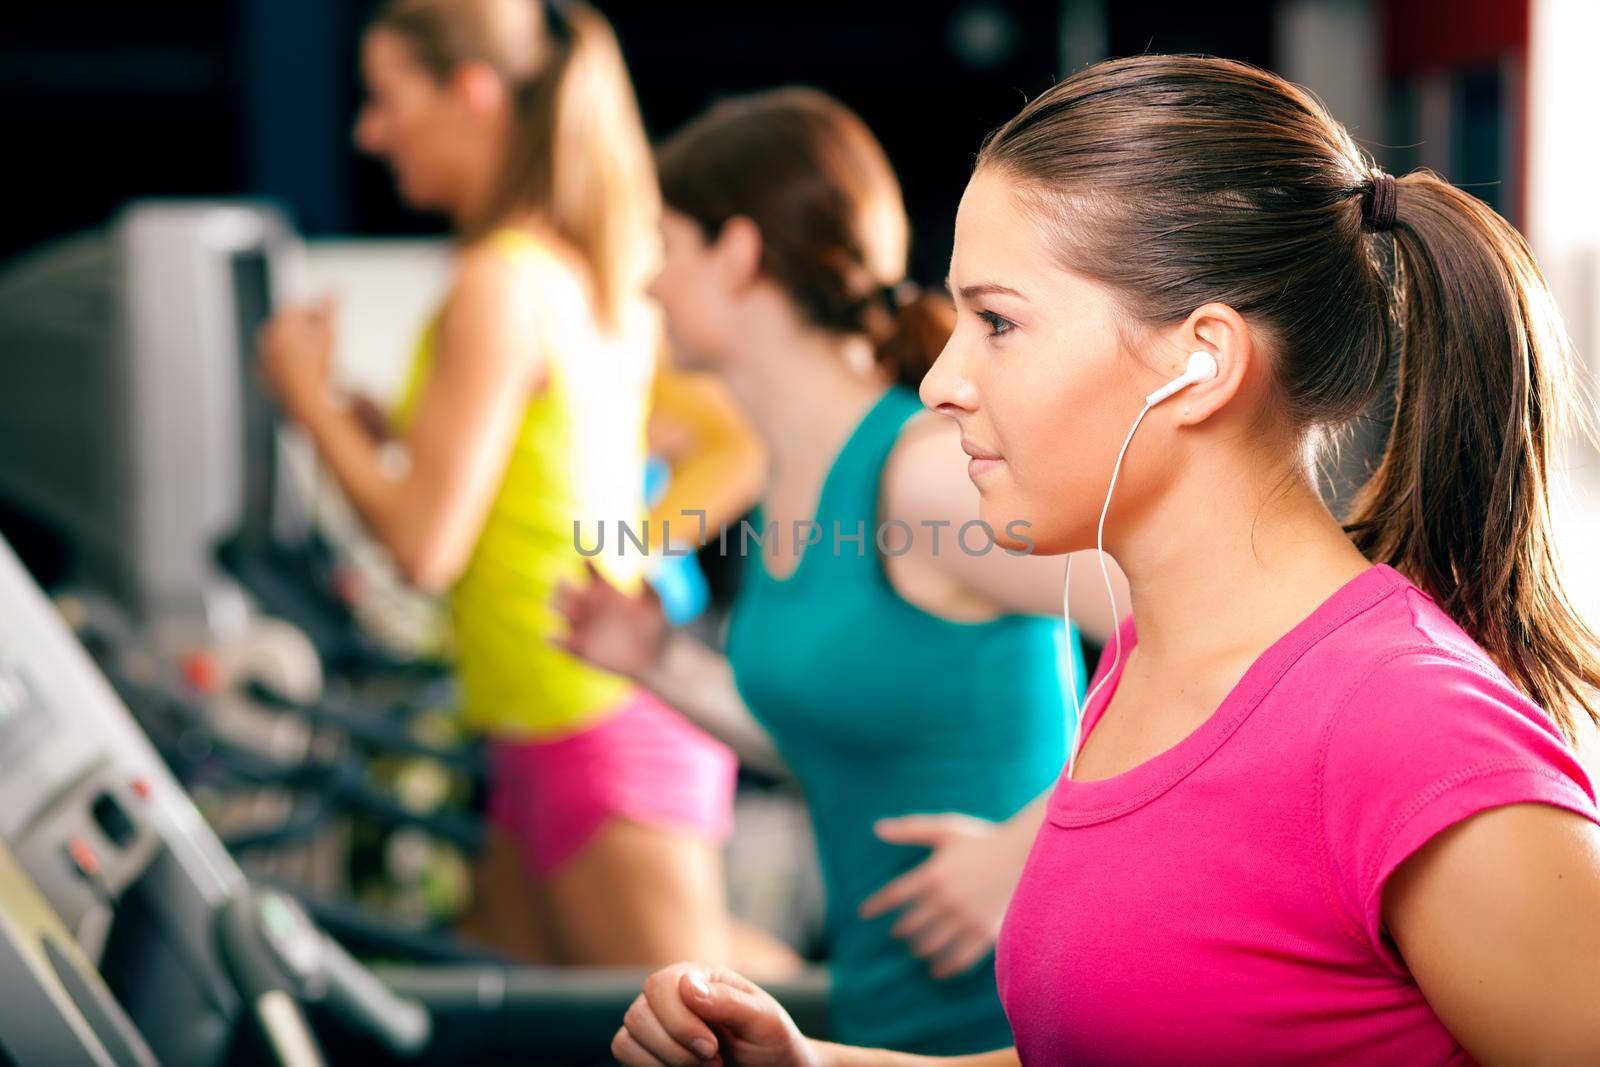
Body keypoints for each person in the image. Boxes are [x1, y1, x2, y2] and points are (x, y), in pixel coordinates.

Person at [607, 54, 1600, 1067]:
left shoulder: (1408, 725)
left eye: (996, 321)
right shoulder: (1141, 666)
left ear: (1199, 361)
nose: (943, 379)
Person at [554, 88, 1126, 1055]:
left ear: (736, 253)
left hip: (1016, 1016)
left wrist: (1033, 844)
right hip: (884, 1018)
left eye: (666, 247)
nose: (647, 285)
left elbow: (1197, 619)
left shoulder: (925, 476)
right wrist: (656, 661)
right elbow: (825, 740)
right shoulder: (791, 485)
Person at [257, 0, 792, 972]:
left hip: (589, 724)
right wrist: (376, 428)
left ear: (471, 93)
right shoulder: (562, 270)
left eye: (384, 99)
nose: (368, 133)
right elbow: (546, 467)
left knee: (703, 1024)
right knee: (539, 1019)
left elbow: (425, 548)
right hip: (539, 727)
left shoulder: (498, 284)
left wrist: (307, 402)